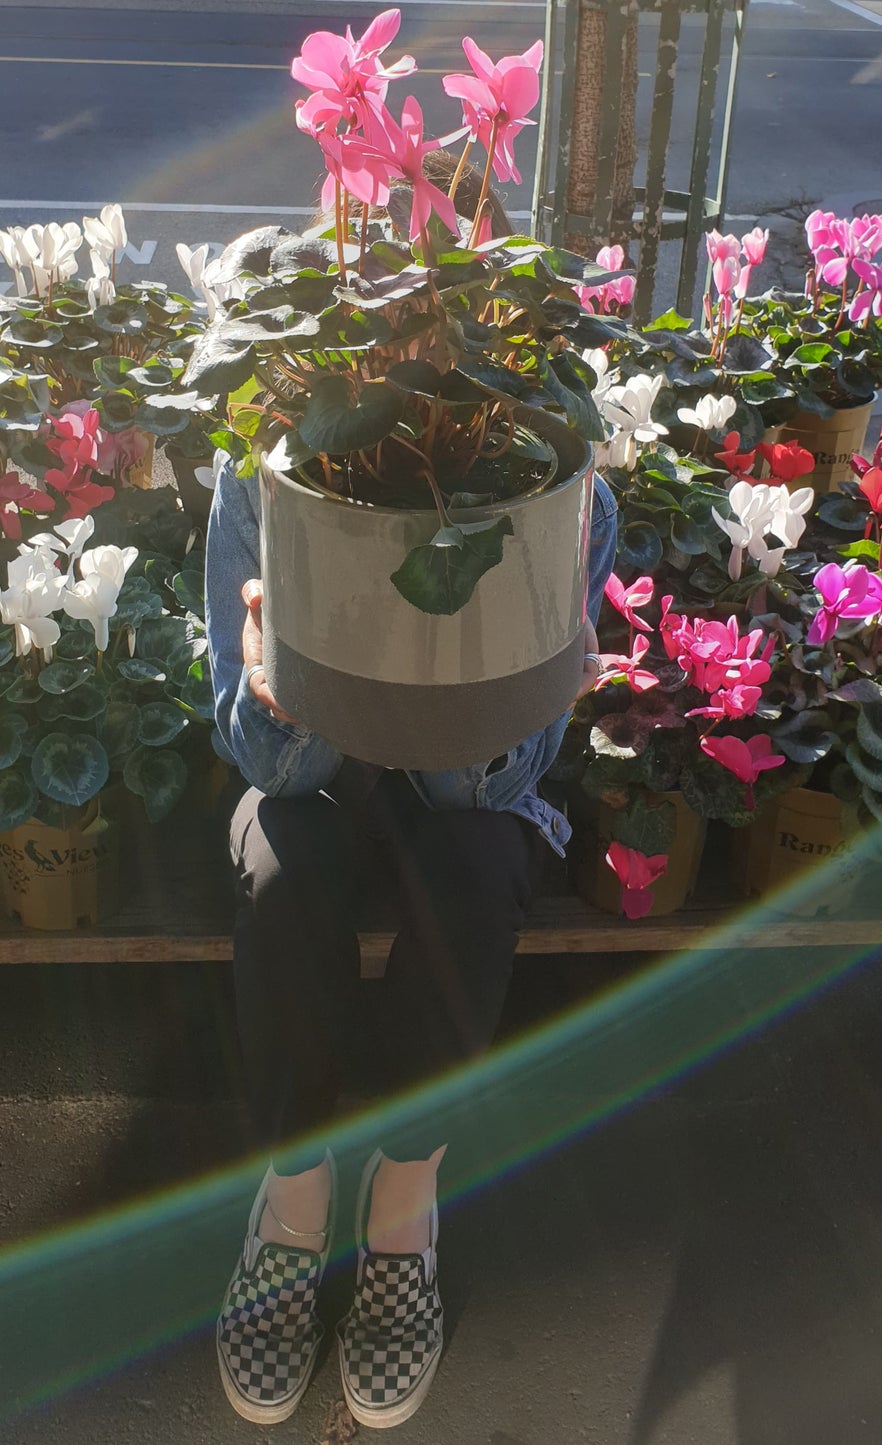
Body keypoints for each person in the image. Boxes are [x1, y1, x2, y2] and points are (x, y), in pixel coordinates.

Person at [204, 173, 619, 1431]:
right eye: (374, 330)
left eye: (436, 333)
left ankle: (401, 1210)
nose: (404, 355)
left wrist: (487, 691)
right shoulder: (263, 482)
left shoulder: (554, 495)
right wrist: (288, 681)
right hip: (313, 786)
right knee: (286, 863)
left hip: (461, 805)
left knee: (470, 868)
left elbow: (498, 781)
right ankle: (289, 1201)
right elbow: (258, 758)